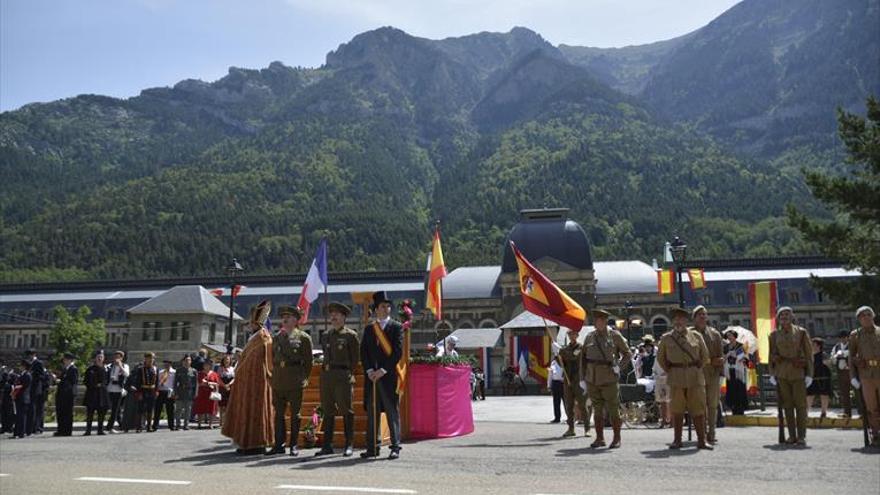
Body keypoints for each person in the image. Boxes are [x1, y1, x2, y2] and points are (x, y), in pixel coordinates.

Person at [222, 300, 275, 455]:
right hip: (246, 381)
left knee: (256, 411)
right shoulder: (255, 337)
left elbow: (260, 361)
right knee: (246, 411)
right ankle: (245, 443)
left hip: (257, 382)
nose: (249, 325)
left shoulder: (263, 337)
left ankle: (256, 444)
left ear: (256, 322)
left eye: (251, 322)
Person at [658, 307, 712, 450]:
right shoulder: (666, 338)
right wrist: (671, 370)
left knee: (698, 409)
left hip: (695, 377)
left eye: (681, 318)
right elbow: (661, 359)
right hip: (676, 377)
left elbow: (705, 356)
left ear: (686, 321)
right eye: (675, 319)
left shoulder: (696, 336)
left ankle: (702, 440)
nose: (678, 321)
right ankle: (677, 440)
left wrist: (696, 369)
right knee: (677, 409)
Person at [361, 291, 404, 459]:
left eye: (388, 306)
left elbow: (397, 352)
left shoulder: (396, 327)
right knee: (373, 412)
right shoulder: (370, 329)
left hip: (388, 376)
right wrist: (370, 370)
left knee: (392, 411)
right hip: (372, 378)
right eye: (382, 306)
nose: (386, 309)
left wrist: (382, 370)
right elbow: (363, 352)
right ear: (376, 309)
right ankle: (373, 447)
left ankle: (395, 446)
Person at [579, 308, 631, 449]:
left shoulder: (614, 336)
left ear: (606, 321)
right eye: (597, 320)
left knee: (613, 409)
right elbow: (583, 359)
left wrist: (619, 367)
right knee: (597, 410)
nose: (599, 323)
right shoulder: (589, 337)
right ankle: (600, 438)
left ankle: (616, 438)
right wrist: (582, 378)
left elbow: (627, 354)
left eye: (602, 320)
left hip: (609, 379)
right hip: (592, 379)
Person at [315, 301, 360, 457]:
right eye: (331, 314)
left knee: (346, 410)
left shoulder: (350, 335)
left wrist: (347, 373)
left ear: (344, 317)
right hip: (327, 376)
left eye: (337, 314)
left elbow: (355, 359)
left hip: (343, 376)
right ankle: (327, 445)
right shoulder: (326, 335)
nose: (333, 316)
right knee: (328, 410)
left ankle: (349, 444)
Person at [266, 305, 312, 456]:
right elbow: (272, 358)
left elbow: (308, 362)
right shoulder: (277, 337)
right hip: (279, 380)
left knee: (295, 414)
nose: (284, 319)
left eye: (289, 317)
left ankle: (293, 445)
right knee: (278, 414)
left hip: (294, 380)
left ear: (296, 320)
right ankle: (279, 444)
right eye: (283, 317)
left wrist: (305, 378)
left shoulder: (303, 338)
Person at [769, 306, 813, 446]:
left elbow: (808, 354)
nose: (784, 317)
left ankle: (801, 436)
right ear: (778, 319)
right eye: (781, 315)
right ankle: (791, 435)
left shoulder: (801, 332)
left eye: (787, 314)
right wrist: (772, 373)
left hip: (798, 372)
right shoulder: (774, 335)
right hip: (782, 373)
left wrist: (809, 374)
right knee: (787, 406)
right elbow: (771, 355)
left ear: (792, 316)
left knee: (800, 406)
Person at [690, 305, 724, 445]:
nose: (702, 317)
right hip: (696, 374)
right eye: (699, 315)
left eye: (704, 314)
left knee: (712, 404)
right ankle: (701, 433)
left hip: (712, 374)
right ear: (694, 318)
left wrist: (720, 365)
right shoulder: (689, 334)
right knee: (699, 405)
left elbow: (720, 356)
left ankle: (712, 433)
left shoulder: (715, 334)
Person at [849, 305, 880, 447]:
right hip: (866, 374)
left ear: (873, 316)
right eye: (862, 315)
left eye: (868, 314)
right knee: (871, 407)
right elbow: (851, 357)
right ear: (859, 320)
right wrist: (853, 377)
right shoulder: (855, 335)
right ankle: (875, 434)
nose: (866, 317)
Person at [559, 327, 590, 437]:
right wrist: (557, 355)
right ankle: (571, 428)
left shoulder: (580, 348)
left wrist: (561, 352)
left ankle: (587, 428)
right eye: (570, 334)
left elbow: (573, 357)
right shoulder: (565, 349)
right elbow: (560, 364)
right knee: (569, 405)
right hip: (567, 379)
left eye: (574, 334)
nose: (572, 336)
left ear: (577, 336)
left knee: (582, 405)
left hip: (578, 379)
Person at [83, 350, 110, 436]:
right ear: (95, 358)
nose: (99, 358)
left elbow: (107, 381)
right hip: (92, 394)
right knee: (90, 413)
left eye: (101, 357)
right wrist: (94, 385)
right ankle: (88, 430)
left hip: (102, 394)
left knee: (101, 413)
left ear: (103, 358)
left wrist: (101, 385)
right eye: (98, 357)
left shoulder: (106, 369)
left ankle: (100, 430)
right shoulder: (90, 369)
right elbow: (86, 381)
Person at [130, 352, 159, 433]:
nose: (151, 360)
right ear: (145, 359)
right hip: (143, 390)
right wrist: (138, 392)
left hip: (152, 391)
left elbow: (157, 381)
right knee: (140, 409)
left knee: (150, 409)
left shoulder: (155, 369)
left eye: (152, 358)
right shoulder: (140, 369)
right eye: (149, 358)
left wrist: (157, 390)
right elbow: (137, 382)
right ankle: (139, 427)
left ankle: (149, 426)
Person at [723, 329, 749, 415]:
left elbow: (744, 358)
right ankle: (733, 406)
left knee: (740, 388)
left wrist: (735, 354)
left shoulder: (740, 345)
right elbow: (723, 358)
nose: (729, 337)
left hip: (739, 370)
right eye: (728, 335)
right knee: (731, 389)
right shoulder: (726, 347)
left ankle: (740, 407)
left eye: (731, 335)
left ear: (734, 336)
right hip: (729, 370)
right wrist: (727, 355)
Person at [806, 337, 832, 420]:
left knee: (824, 395)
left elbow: (829, 364)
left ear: (819, 346)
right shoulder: (809, 355)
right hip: (812, 377)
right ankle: (806, 413)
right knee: (809, 395)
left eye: (814, 344)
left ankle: (823, 412)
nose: (812, 346)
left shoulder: (823, 355)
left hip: (823, 377)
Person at [54, 352, 78, 437]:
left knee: (67, 413)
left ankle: (67, 430)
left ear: (69, 360)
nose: (64, 361)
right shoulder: (65, 369)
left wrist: (61, 381)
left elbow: (73, 382)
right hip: (62, 393)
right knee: (60, 412)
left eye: (65, 359)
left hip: (68, 394)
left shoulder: (73, 369)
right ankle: (61, 429)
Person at [105, 350, 129, 433]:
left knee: (115, 409)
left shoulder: (124, 366)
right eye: (115, 357)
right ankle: (122, 425)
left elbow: (126, 374)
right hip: (110, 388)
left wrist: (120, 366)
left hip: (119, 389)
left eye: (118, 357)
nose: (116, 358)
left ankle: (109, 426)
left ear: (122, 358)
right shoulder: (109, 366)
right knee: (116, 409)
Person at [831, 330, 852, 418]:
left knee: (858, 393)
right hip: (841, 371)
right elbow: (832, 357)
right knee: (844, 393)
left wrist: (843, 354)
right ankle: (846, 412)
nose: (843, 339)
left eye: (844, 337)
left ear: (848, 337)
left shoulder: (852, 345)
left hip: (851, 371)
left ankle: (862, 413)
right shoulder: (836, 347)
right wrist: (836, 357)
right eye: (841, 338)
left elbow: (852, 353)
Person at [173, 355, 197, 431]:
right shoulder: (179, 370)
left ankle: (186, 425)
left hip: (189, 392)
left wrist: (195, 393)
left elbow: (196, 384)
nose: (187, 362)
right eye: (186, 360)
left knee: (188, 410)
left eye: (189, 360)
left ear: (191, 362)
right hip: (180, 391)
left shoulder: (194, 371)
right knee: (178, 409)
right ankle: (177, 425)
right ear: (183, 361)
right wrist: (175, 392)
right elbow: (175, 382)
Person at [194, 359, 220, 429]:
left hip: (211, 393)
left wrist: (209, 383)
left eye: (208, 365)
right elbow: (200, 383)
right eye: (205, 364)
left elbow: (217, 383)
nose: (206, 366)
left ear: (210, 366)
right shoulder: (200, 373)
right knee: (200, 408)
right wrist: (209, 383)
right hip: (202, 393)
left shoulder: (214, 374)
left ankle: (210, 424)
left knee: (211, 409)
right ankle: (199, 424)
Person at [24, 349, 46, 435]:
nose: (29, 356)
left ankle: (35, 427)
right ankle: (29, 427)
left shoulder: (38, 363)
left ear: (34, 354)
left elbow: (42, 376)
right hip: (29, 388)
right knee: (30, 408)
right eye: (28, 355)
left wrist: (33, 375)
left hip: (35, 388)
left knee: (35, 408)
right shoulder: (28, 363)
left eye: (30, 355)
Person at [153, 359, 176, 431]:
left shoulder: (174, 372)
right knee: (158, 409)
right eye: (165, 364)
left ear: (170, 364)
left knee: (170, 410)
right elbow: (157, 382)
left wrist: (175, 392)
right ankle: (155, 426)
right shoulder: (160, 372)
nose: (166, 365)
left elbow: (175, 383)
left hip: (169, 392)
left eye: (168, 364)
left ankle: (171, 426)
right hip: (161, 391)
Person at [12, 359, 32, 438]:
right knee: (18, 416)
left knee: (21, 416)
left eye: (21, 365)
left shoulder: (27, 375)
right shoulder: (21, 375)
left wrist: (16, 389)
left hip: (23, 398)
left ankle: (21, 433)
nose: (20, 367)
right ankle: (17, 432)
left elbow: (24, 386)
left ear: (24, 366)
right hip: (19, 397)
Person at [217, 354, 235, 428]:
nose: (226, 361)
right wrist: (224, 385)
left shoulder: (232, 369)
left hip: (230, 388)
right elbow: (218, 378)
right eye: (225, 359)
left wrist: (229, 385)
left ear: (230, 361)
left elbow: (234, 378)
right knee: (221, 406)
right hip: (222, 388)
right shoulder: (220, 369)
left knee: (228, 406)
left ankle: (227, 422)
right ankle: (221, 422)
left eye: (228, 359)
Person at [547, 353, 564, 425]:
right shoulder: (553, 363)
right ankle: (557, 418)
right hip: (555, 383)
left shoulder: (564, 362)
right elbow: (550, 375)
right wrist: (549, 385)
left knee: (566, 402)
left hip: (563, 383)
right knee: (556, 402)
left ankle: (570, 418)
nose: (556, 356)